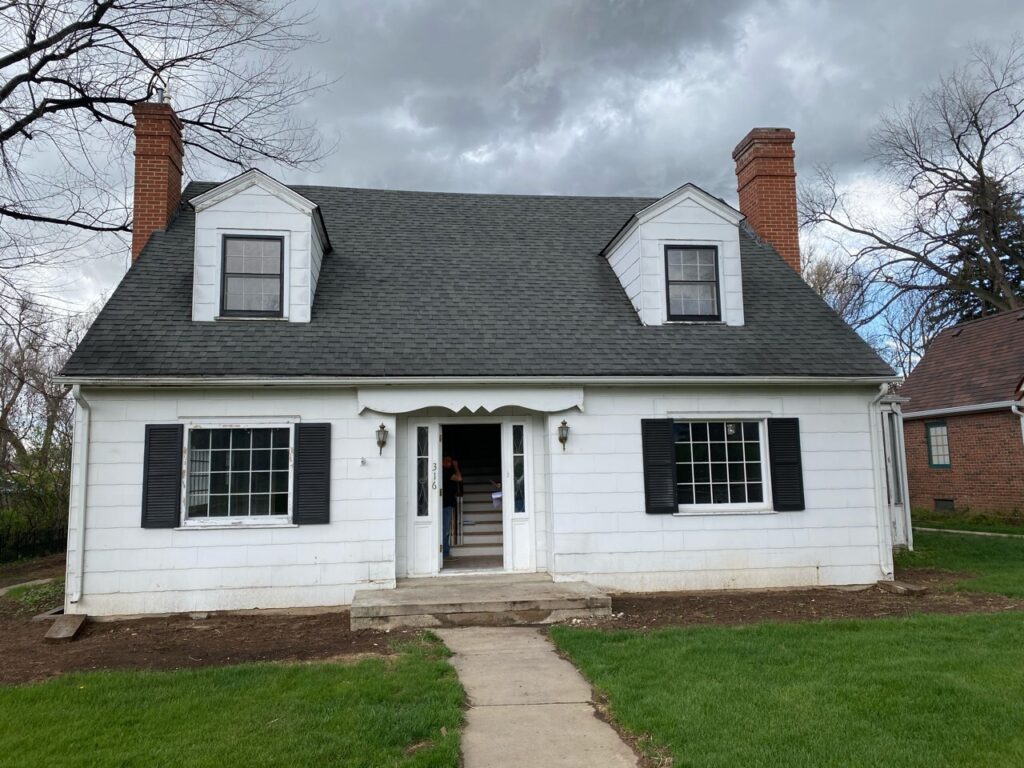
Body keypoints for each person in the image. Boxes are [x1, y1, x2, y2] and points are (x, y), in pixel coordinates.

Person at [441, 455, 462, 558]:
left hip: (444, 503)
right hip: (446, 504)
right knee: (445, 529)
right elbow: (459, 478)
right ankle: (445, 552)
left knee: (444, 528)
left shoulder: (441, 471)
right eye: (448, 461)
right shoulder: (446, 471)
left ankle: (444, 551)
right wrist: (456, 466)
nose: (449, 463)